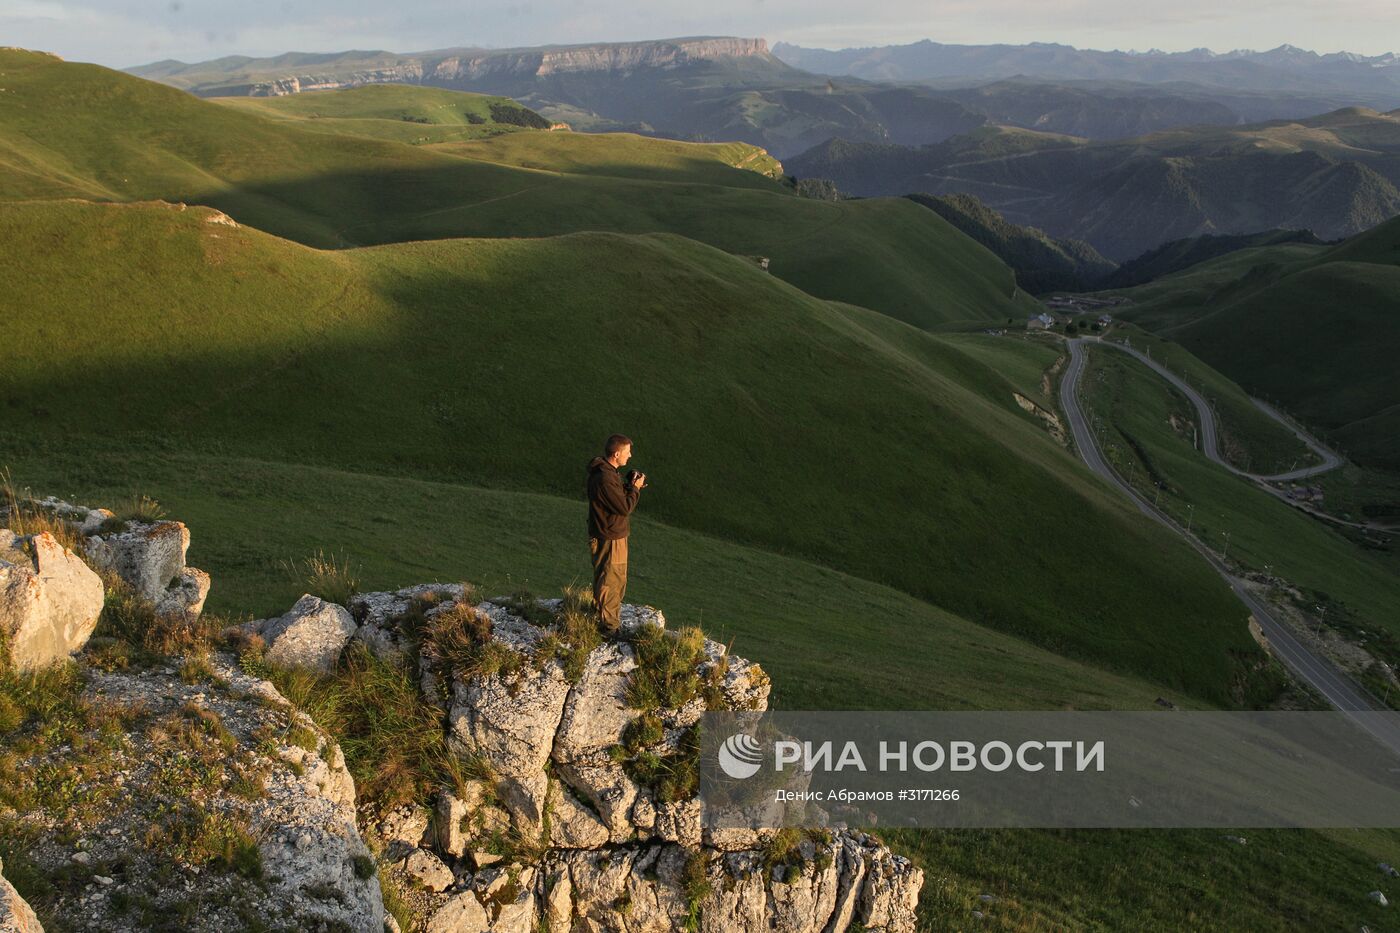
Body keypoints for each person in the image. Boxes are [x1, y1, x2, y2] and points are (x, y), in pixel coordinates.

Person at [586, 434, 646, 633]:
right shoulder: (605, 478)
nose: (630, 456)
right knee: (611, 580)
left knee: (612, 577)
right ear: (617, 453)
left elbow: (616, 499)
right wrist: (635, 490)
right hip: (610, 537)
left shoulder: (608, 473)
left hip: (611, 534)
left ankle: (602, 616)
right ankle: (609, 628)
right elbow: (624, 507)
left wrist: (628, 485)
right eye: (627, 452)